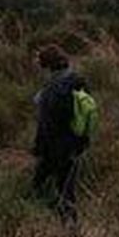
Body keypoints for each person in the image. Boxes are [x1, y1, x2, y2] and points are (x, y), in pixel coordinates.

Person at [32, 45, 90, 223]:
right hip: (76, 144)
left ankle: (67, 231)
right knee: (67, 190)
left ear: (46, 65)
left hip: (54, 147)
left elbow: (46, 123)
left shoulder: (51, 88)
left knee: (39, 189)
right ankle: (70, 230)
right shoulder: (77, 80)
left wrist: (39, 148)